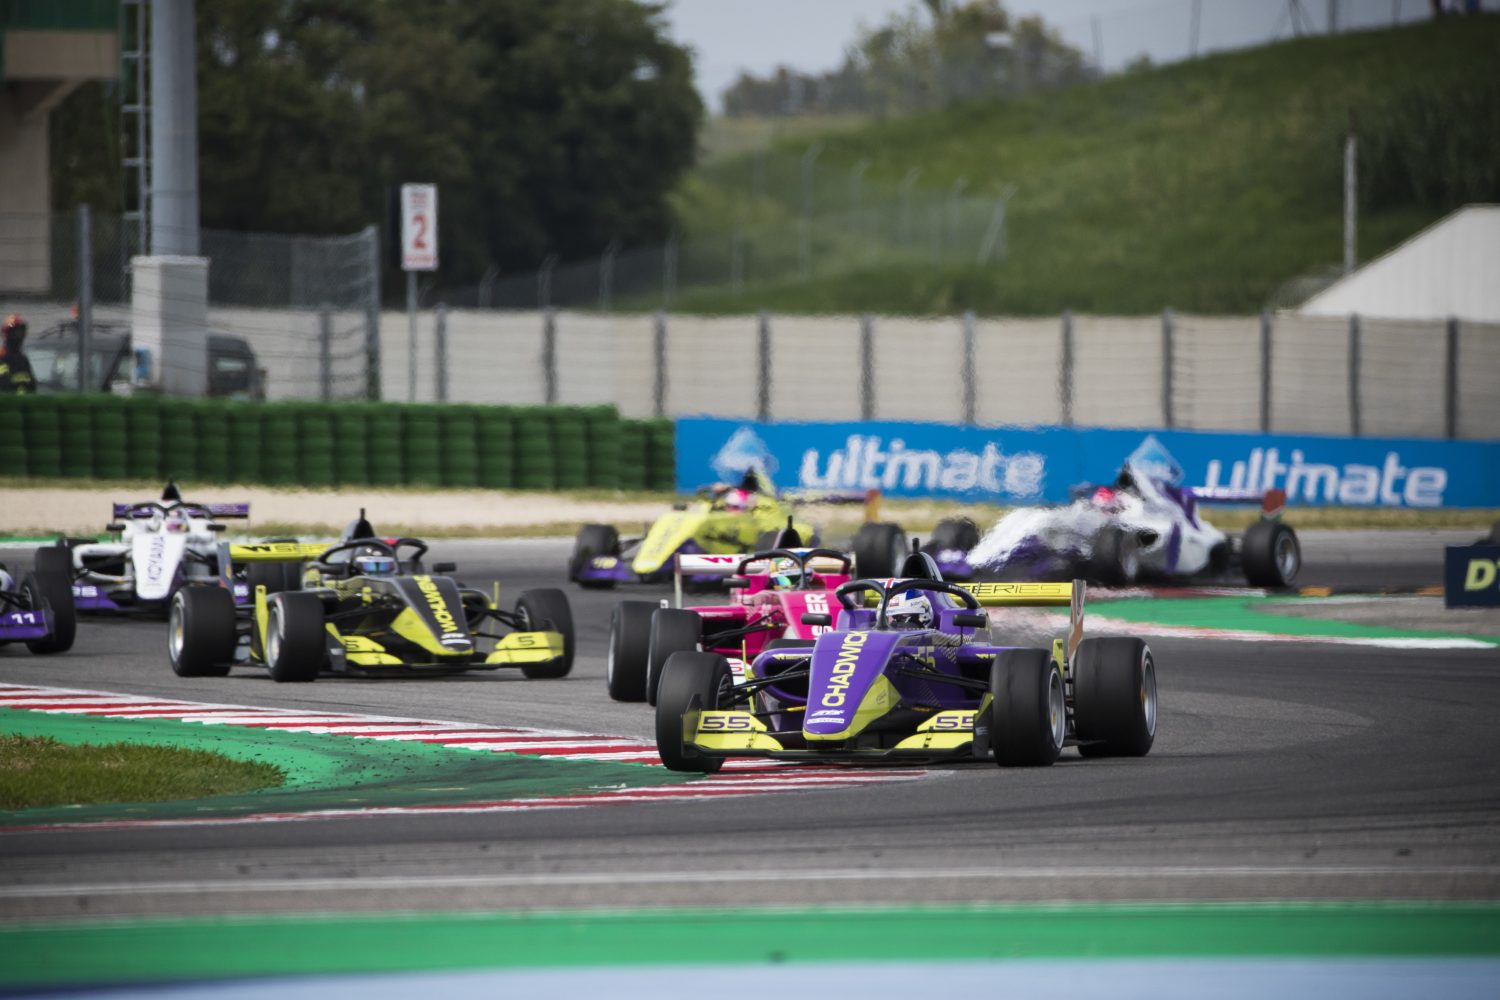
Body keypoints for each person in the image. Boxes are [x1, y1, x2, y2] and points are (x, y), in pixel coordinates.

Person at [0, 315, 36, 394]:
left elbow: (32, 386)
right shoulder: (1, 358)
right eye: (15, 333)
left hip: (24, 401)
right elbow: (4, 385)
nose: (18, 337)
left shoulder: (23, 360)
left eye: (21, 333)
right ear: (7, 335)